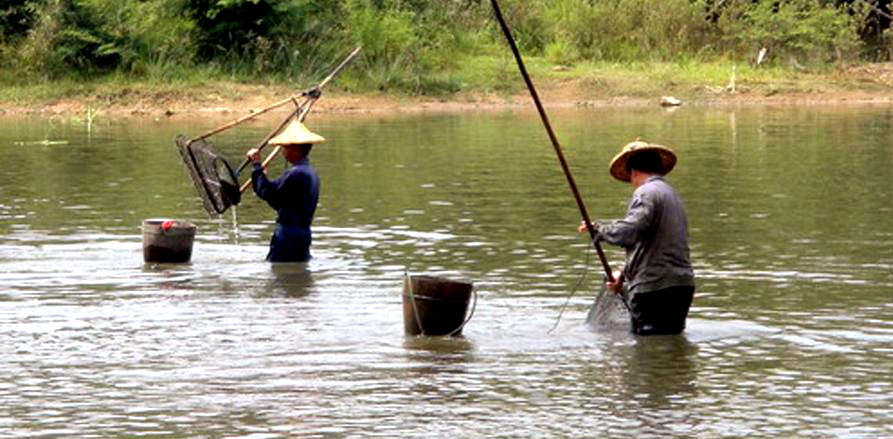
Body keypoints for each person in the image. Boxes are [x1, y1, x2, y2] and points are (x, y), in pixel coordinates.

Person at [578, 140, 695, 335]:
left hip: (654, 289)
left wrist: (598, 230)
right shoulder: (672, 195)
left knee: (649, 348)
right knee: (669, 342)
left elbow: (631, 231)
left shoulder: (645, 192)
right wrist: (622, 276)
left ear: (634, 172)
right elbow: (654, 245)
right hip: (682, 286)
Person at [246, 120, 324, 262]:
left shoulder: (295, 173)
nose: (283, 151)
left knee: (279, 275)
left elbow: (267, 192)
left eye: (285, 148)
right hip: (303, 234)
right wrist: (261, 175)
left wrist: (257, 166)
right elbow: (279, 202)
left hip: (288, 234)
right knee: (297, 276)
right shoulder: (310, 172)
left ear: (295, 149)